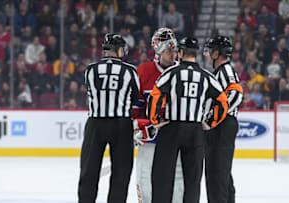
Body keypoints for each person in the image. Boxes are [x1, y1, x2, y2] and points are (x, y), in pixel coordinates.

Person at [148, 37, 229, 203]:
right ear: (196, 54)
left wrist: (155, 120)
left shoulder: (170, 73)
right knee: (192, 181)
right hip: (195, 131)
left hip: (171, 128)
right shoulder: (206, 77)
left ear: (181, 53)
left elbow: (155, 97)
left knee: (162, 176)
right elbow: (223, 101)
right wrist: (211, 122)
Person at [78, 34, 140, 203]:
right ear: (120, 50)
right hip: (121, 124)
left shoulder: (90, 69)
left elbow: (90, 91)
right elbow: (135, 98)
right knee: (121, 173)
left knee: (89, 172)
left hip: (95, 124)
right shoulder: (130, 71)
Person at [132, 27, 184, 203]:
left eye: (174, 49)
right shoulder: (144, 71)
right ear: (158, 50)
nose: (173, 53)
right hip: (151, 136)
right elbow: (135, 108)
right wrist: (139, 126)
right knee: (145, 175)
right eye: (168, 49)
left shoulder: (184, 72)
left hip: (176, 136)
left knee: (178, 177)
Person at [203, 36, 244, 203]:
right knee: (219, 172)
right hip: (221, 125)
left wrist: (213, 120)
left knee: (217, 173)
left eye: (209, 51)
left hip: (222, 126)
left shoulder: (225, 71)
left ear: (216, 53)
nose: (206, 54)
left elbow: (236, 94)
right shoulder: (220, 72)